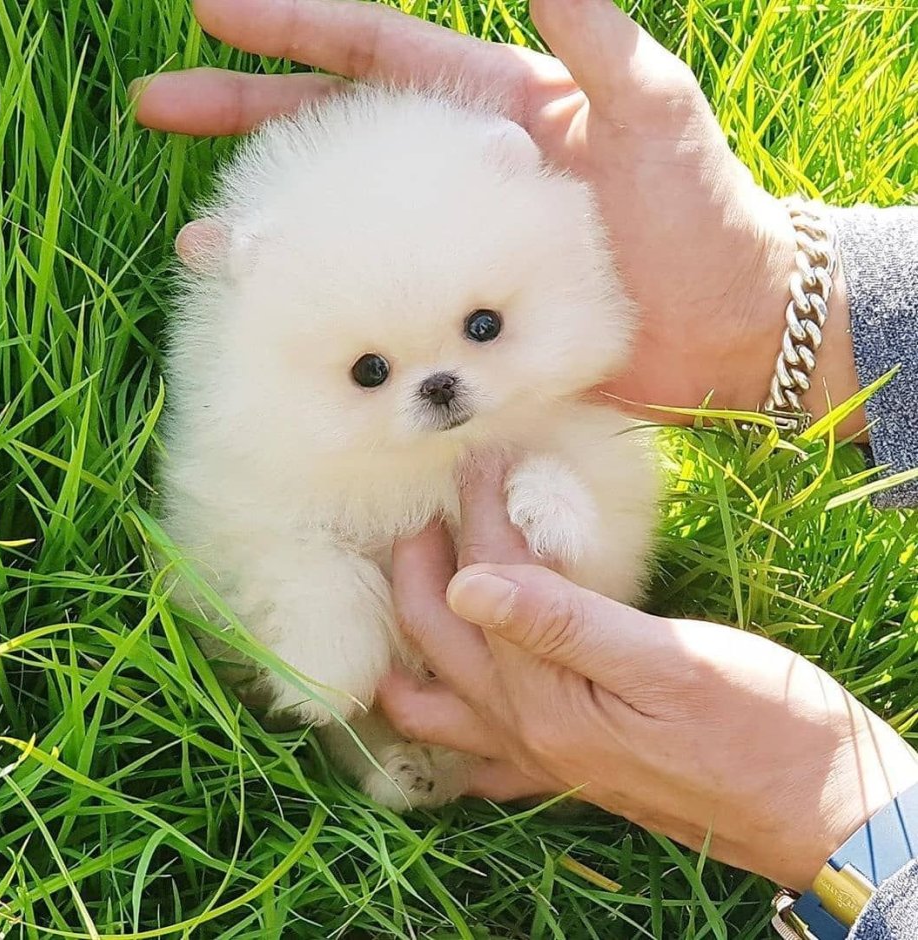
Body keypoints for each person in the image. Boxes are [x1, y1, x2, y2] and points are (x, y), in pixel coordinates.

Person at [131, 1, 918, 935]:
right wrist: (776, 297)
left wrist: (844, 821)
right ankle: (386, 742)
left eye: (481, 328)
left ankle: (428, 744)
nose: (442, 386)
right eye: (372, 372)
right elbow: (230, 540)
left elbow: (607, 532)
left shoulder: (567, 407)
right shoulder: (261, 442)